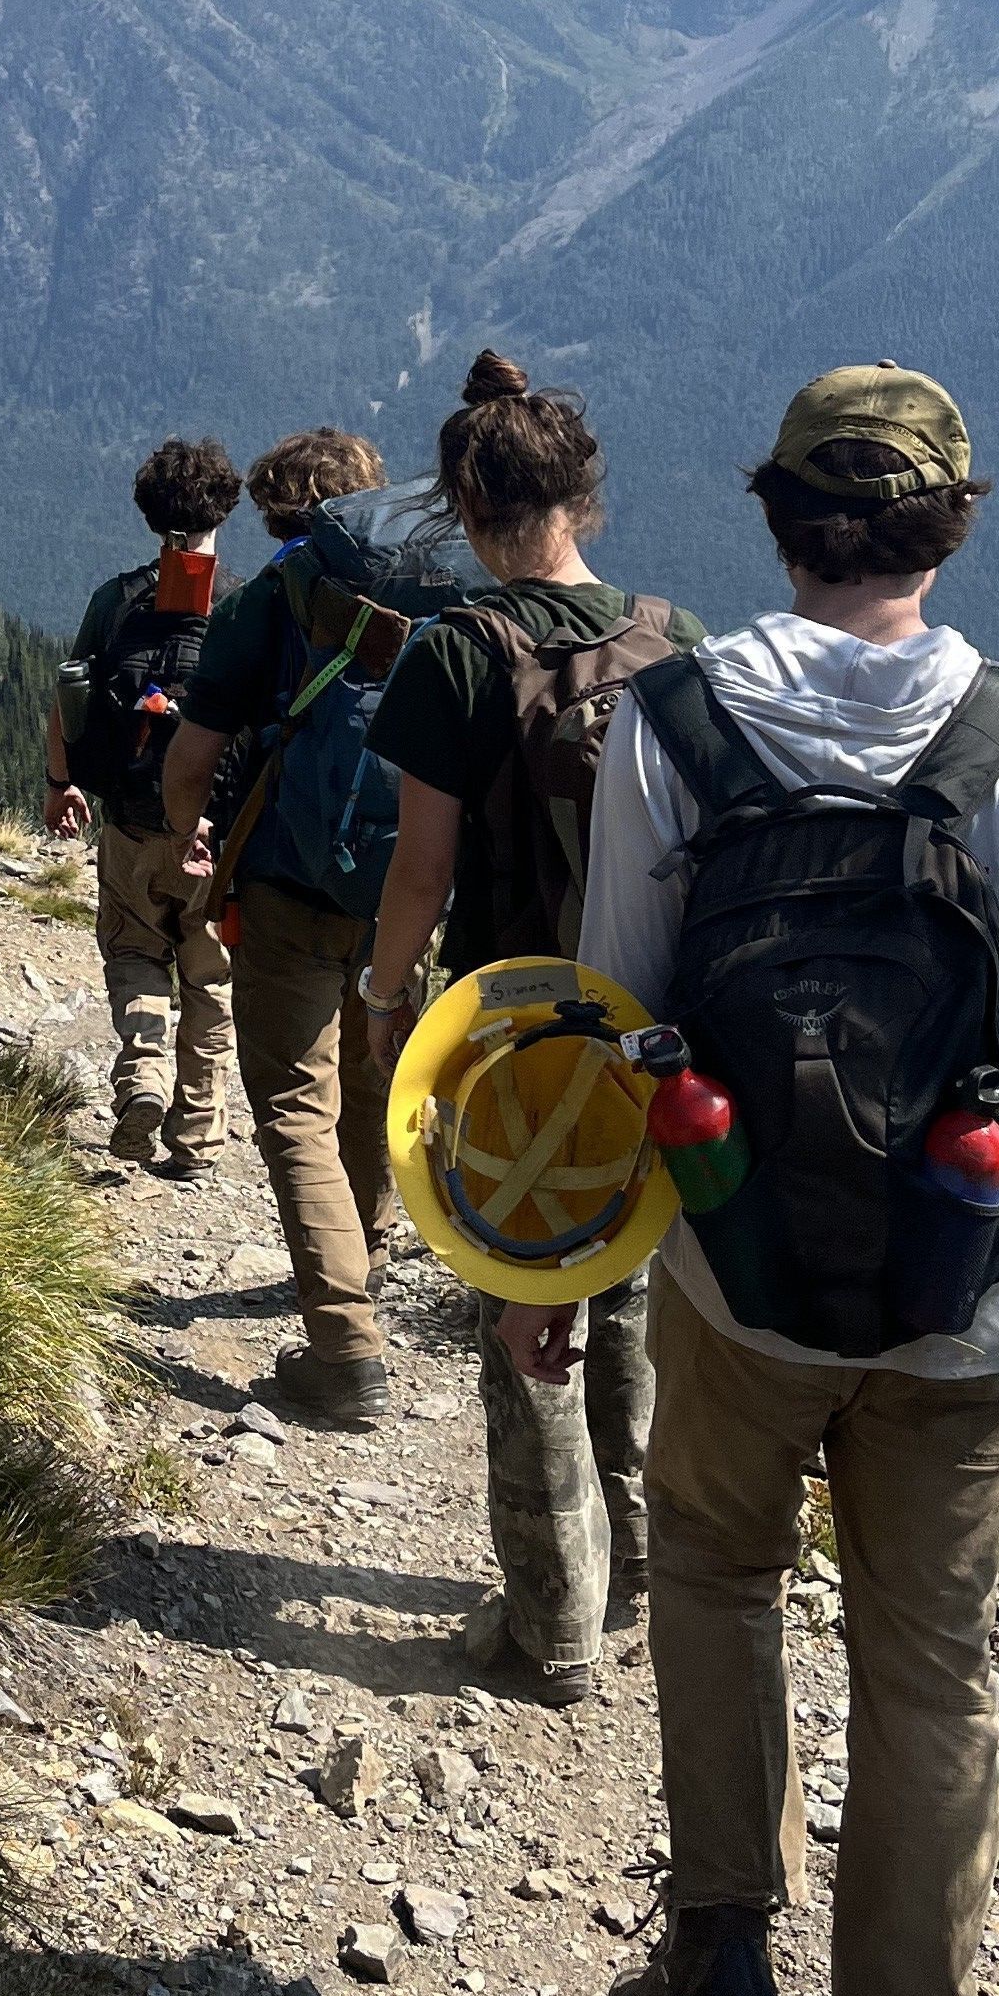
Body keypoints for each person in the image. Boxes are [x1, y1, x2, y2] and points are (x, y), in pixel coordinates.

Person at [560, 363, 999, 1996]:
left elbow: (609, 1013)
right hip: (964, 1282)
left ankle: (711, 1944)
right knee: (926, 1660)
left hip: (730, 1266)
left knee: (706, 1569)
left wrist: (551, 1280)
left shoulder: (668, 727)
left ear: (777, 518)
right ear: (944, 525)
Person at [361, 353, 702, 1703]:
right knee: (624, 1288)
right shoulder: (677, 640)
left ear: (465, 503)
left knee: (525, 1307)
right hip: (651, 1028)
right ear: (584, 497)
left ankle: (552, 1622)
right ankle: (638, 1575)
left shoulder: (457, 651)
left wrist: (390, 1001)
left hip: (513, 1031)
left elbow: (420, 873)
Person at [157, 428, 412, 1427]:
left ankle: (345, 1346)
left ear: (283, 514)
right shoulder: (444, 588)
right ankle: (369, 1250)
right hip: (407, 889)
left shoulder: (280, 594)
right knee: (375, 1073)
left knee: (295, 1102)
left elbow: (195, 751)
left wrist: (190, 837)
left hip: (288, 882)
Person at [46, 436, 245, 1173]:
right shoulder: (243, 608)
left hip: (130, 824)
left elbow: (70, 691)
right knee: (208, 975)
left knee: (134, 952)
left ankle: (143, 1076)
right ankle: (196, 1134)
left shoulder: (118, 600)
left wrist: (59, 784)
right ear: (226, 509)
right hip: (215, 836)